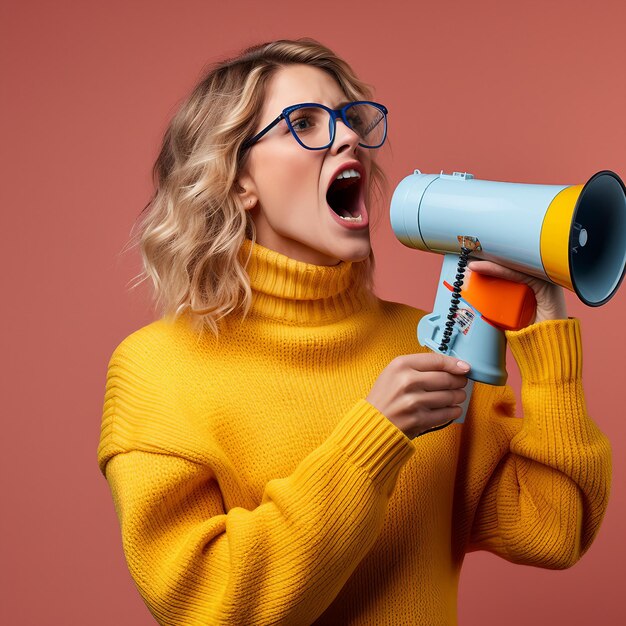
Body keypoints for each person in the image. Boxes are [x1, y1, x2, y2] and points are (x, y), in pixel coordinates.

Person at [97, 38, 611, 626]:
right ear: (239, 180)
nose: (347, 139)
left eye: (350, 120)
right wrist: (375, 437)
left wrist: (547, 342)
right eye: (306, 124)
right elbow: (209, 608)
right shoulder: (155, 372)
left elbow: (555, 529)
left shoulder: (431, 350)